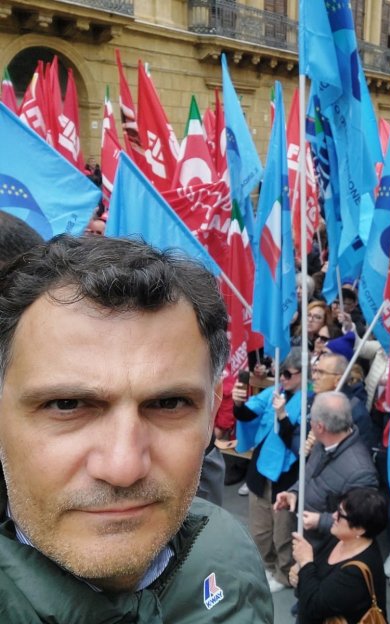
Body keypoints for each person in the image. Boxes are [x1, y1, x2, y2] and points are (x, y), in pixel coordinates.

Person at [0, 236, 272, 621]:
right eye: (67, 405)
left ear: (211, 414)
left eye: (169, 403)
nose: (124, 468)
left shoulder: (227, 550)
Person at [233, 347, 308, 593]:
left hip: (286, 477)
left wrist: (283, 415)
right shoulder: (275, 391)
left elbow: (298, 445)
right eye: (280, 372)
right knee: (260, 528)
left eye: (287, 374)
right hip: (261, 469)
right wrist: (238, 402)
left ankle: (284, 573)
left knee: (283, 531)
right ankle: (266, 564)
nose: (282, 378)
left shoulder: (311, 401)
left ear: (302, 374)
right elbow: (246, 414)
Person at [274, 391, 379, 551]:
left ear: (320, 427)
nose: (309, 423)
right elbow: (308, 477)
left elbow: (361, 521)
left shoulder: (361, 473)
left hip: (325, 551)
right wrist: (293, 493)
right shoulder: (322, 443)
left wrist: (320, 521)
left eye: (310, 419)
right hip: (305, 540)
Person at [292, 487, 388, 624]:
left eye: (340, 514)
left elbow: (314, 606)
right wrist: (299, 573)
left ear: (359, 529)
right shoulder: (340, 538)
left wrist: (305, 563)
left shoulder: (355, 573)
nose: (333, 516)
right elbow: (313, 575)